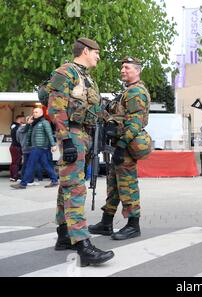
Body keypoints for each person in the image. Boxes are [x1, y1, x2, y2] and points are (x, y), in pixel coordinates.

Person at [46, 37, 114, 266]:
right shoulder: (66, 73)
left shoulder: (86, 78)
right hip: (72, 134)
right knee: (75, 188)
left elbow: (92, 110)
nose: (98, 56)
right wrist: (66, 140)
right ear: (86, 50)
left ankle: (64, 234)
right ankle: (82, 245)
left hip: (84, 134)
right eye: (96, 52)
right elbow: (56, 107)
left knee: (67, 185)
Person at [89, 57, 152, 241]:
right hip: (118, 144)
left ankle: (134, 225)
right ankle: (106, 222)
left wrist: (122, 146)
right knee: (114, 185)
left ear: (137, 71)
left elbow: (135, 123)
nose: (123, 70)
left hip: (125, 146)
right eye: (122, 67)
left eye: (127, 67)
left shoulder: (136, 92)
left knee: (127, 184)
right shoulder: (126, 92)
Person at [11, 108, 58, 189]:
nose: (34, 113)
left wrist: (53, 145)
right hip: (35, 146)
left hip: (39, 147)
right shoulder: (34, 123)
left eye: (36, 112)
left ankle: (23, 183)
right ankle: (54, 180)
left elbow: (49, 134)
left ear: (41, 113)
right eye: (33, 112)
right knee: (45, 164)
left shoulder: (44, 122)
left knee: (30, 164)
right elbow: (24, 131)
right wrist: (28, 123)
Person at [9, 115, 25, 182]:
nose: (24, 121)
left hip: (13, 146)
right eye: (23, 119)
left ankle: (12, 176)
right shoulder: (18, 127)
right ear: (20, 119)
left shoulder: (13, 126)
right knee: (16, 162)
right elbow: (19, 137)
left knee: (14, 162)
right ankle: (15, 177)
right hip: (16, 146)